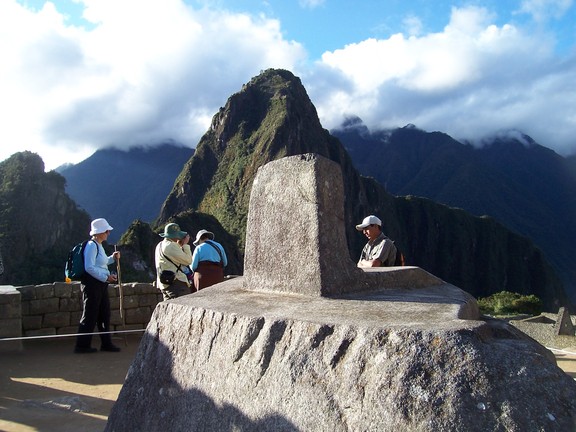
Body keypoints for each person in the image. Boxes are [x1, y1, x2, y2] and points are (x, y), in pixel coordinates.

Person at [74, 218, 121, 354]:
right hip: (92, 284)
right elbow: (89, 267)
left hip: (100, 284)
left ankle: (106, 343)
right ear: (99, 232)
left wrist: (112, 257)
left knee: (103, 314)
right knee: (90, 314)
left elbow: (102, 262)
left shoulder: (98, 245)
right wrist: (106, 277)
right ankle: (82, 345)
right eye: (106, 231)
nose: (108, 233)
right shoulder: (91, 246)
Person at [155, 222, 193, 300]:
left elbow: (173, 256)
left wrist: (179, 245)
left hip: (164, 283)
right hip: (176, 283)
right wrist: (185, 244)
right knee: (184, 307)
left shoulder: (160, 245)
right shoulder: (171, 245)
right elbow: (188, 260)